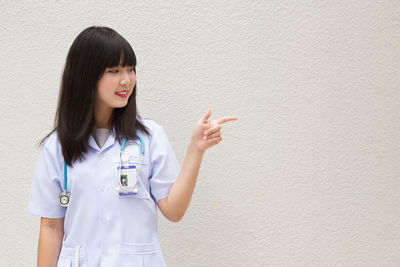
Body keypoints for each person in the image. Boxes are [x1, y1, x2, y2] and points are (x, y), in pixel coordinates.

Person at [27, 26, 238, 267]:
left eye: (130, 69)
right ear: (86, 75)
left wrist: (196, 150)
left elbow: (174, 210)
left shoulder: (149, 137)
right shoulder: (56, 147)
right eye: (114, 71)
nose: (126, 80)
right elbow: (52, 227)